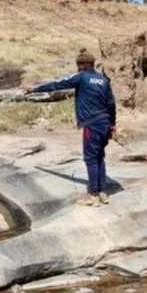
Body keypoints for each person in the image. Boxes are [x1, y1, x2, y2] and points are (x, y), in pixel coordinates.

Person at [25, 49, 117, 206]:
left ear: (85, 65)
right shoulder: (103, 80)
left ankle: (93, 196)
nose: (77, 67)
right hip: (105, 122)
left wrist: (34, 89)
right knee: (99, 156)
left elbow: (58, 84)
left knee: (91, 158)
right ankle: (103, 192)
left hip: (91, 123)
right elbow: (111, 104)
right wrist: (113, 124)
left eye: (79, 64)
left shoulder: (81, 77)